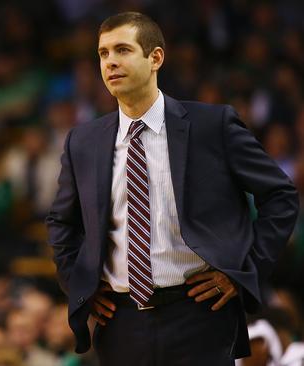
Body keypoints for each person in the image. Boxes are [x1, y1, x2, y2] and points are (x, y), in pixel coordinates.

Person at [46, 11, 299, 365]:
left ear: (155, 58)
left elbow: (281, 197)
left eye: (123, 50)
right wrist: (79, 283)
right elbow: (61, 221)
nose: (111, 62)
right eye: (103, 54)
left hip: (200, 312)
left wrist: (244, 271)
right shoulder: (82, 142)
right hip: (119, 319)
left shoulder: (213, 125)